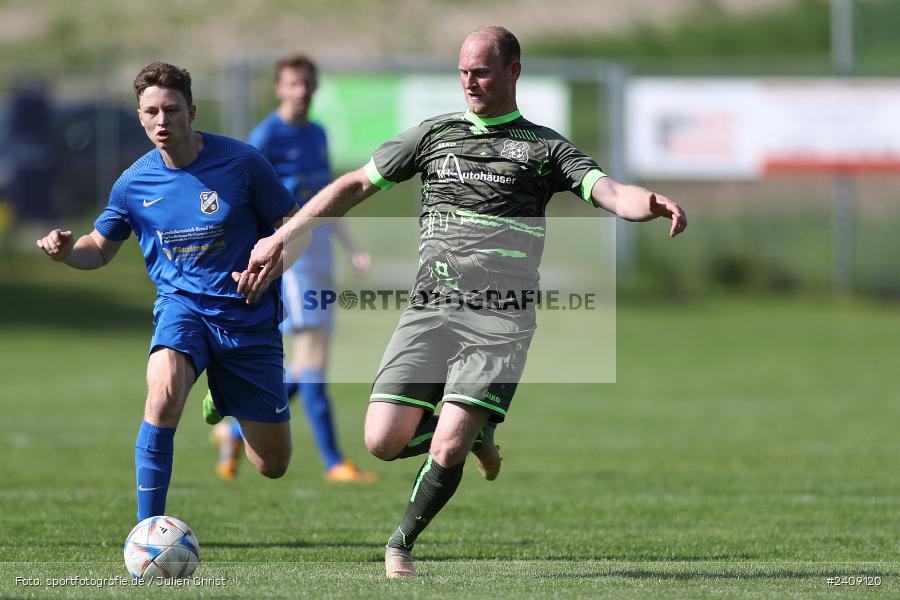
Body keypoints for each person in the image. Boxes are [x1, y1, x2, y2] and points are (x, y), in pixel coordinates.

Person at [233, 26, 687, 577]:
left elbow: (609, 190)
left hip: (501, 316)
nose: (470, 83)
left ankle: (401, 541)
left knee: (445, 447)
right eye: (463, 72)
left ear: (513, 71)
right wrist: (283, 235)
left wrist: (650, 202)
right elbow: (354, 184)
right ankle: (475, 431)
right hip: (430, 309)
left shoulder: (545, 147)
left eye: (482, 72)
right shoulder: (435, 135)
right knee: (380, 441)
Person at [36, 62, 302, 522]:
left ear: (191, 111)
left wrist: (273, 264)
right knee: (161, 397)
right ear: (139, 116)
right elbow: (98, 249)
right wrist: (64, 253)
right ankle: (147, 531)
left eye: (172, 110)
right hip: (182, 309)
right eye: (152, 111)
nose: (163, 121)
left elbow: (295, 231)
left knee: (272, 465)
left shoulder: (242, 162)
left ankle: (223, 397)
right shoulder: (132, 184)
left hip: (247, 319)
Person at [209, 54, 376, 483]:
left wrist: (351, 247)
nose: (301, 91)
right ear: (279, 88)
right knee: (313, 358)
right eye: (292, 84)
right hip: (293, 256)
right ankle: (333, 461)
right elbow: (244, 196)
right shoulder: (265, 135)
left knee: (308, 363)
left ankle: (232, 427)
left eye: (307, 83)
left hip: (321, 254)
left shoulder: (317, 133)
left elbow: (327, 199)